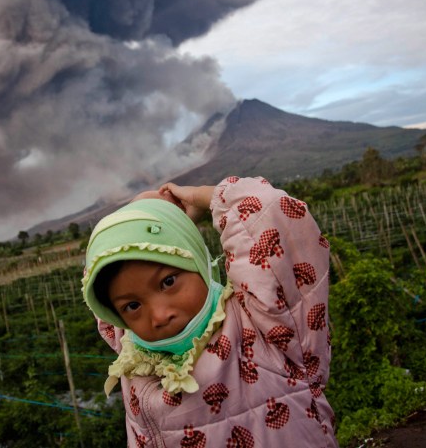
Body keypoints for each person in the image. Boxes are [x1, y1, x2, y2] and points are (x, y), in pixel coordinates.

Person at [81, 176, 337, 447]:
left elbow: (270, 213)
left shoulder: (268, 327)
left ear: (199, 262)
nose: (159, 316)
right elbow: (97, 277)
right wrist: (140, 214)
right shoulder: (133, 354)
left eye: (168, 282)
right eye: (132, 306)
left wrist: (201, 196)